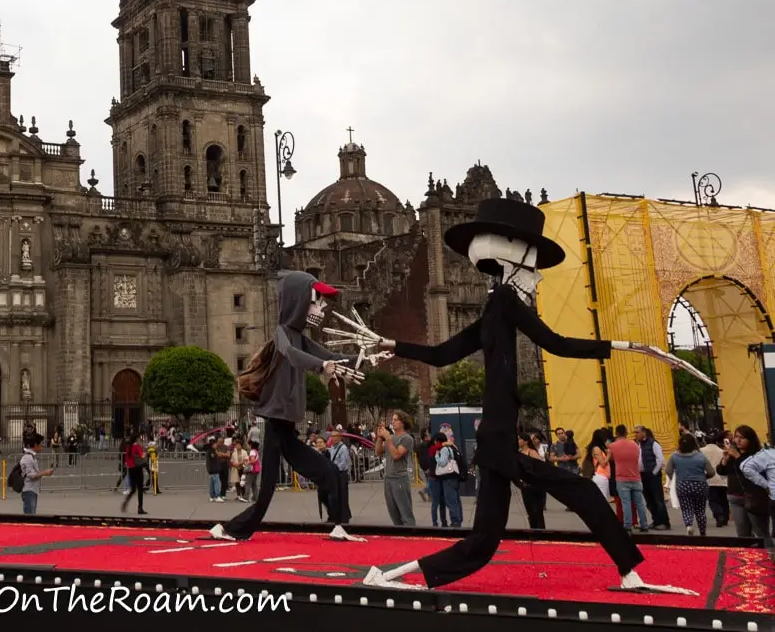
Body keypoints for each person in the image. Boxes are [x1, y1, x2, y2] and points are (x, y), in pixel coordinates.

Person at [359, 198, 703, 595]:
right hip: (498, 439)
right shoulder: (504, 300)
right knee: (582, 492)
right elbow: (554, 342)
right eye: (534, 265)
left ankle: (387, 576)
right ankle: (630, 572)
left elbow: (442, 354)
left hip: (495, 438)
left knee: (483, 542)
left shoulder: (493, 306)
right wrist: (627, 346)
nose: (538, 277)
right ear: (515, 256)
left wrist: (392, 343)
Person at [210, 271, 364, 543]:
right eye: (316, 301)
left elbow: (330, 355)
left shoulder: (299, 336)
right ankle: (231, 528)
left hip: (286, 421)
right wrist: (322, 366)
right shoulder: (283, 333)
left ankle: (339, 523)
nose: (321, 307)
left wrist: (363, 357)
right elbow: (294, 356)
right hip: (275, 417)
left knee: (327, 471)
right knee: (268, 485)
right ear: (298, 301)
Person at [666, 433, 715, 535]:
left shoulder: (674, 456)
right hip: (700, 485)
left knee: (686, 508)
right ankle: (702, 532)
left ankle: (689, 525)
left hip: (683, 485)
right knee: (700, 510)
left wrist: (674, 478)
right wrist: (704, 477)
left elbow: (668, 470)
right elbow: (711, 472)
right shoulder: (700, 456)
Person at [375, 411, 415, 526]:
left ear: (403, 422)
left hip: (400, 479)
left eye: (396, 419)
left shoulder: (407, 438)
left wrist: (388, 438)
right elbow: (378, 452)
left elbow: (396, 455)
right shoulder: (390, 438)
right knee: (393, 512)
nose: (393, 422)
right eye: (392, 419)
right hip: (388, 478)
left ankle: (411, 535)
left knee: (405, 513)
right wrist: (379, 437)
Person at [608, 424, 649, 532]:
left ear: (616, 433)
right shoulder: (635, 445)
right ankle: (644, 525)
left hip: (622, 478)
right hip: (636, 477)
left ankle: (627, 525)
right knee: (639, 503)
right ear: (626, 433)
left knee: (626, 503)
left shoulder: (613, 446)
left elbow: (610, 459)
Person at [634, 426, 672, 530]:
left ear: (644, 433)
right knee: (649, 501)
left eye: (637, 432)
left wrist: (654, 472)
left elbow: (660, 459)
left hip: (652, 475)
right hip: (643, 475)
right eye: (635, 432)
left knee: (658, 500)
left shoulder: (653, 443)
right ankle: (656, 521)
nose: (635, 435)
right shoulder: (638, 445)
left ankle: (664, 522)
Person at [19, 433, 54, 514]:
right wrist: (45, 472)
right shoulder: (28, 457)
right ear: (35, 445)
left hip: (33, 490)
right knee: (30, 517)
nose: (42, 447)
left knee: (32, 514)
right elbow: (31, 475)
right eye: (41, 445)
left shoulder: (31, 456)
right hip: (29, 490)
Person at [120, 432, 148, 515]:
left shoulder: (129, 447)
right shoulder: (137, 446)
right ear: (137, 439)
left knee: (133, 489)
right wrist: (146, 453)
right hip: (138, 468)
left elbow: (127, 459)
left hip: (131, 469)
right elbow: (142, 456)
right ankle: (140, 508)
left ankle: (126, 502)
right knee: (140, 489)